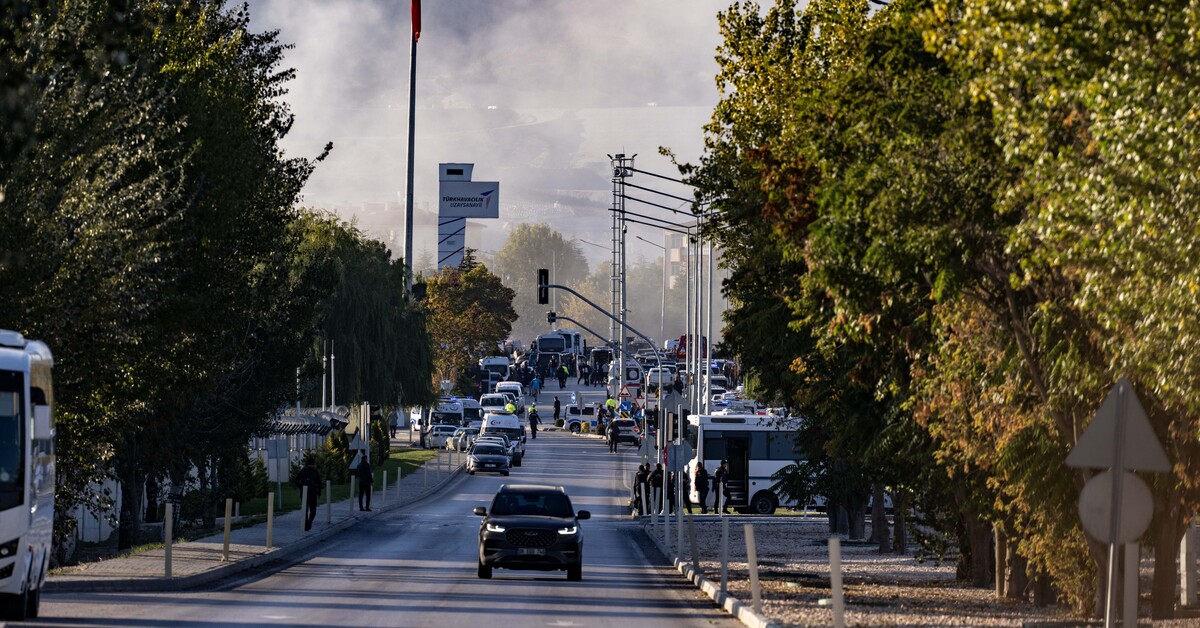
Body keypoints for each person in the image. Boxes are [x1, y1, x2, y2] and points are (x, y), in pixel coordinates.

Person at [296, 456, 322, 531]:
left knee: (305, 509)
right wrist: (319, 493)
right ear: (313, 464)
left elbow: (296, 481)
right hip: (313, 492)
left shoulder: (303, 471)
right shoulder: (315, 472)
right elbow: (319, 483)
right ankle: (310, 521)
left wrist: (301, 487)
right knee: (313, 510)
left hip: (304, 492)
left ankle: (305, 524)